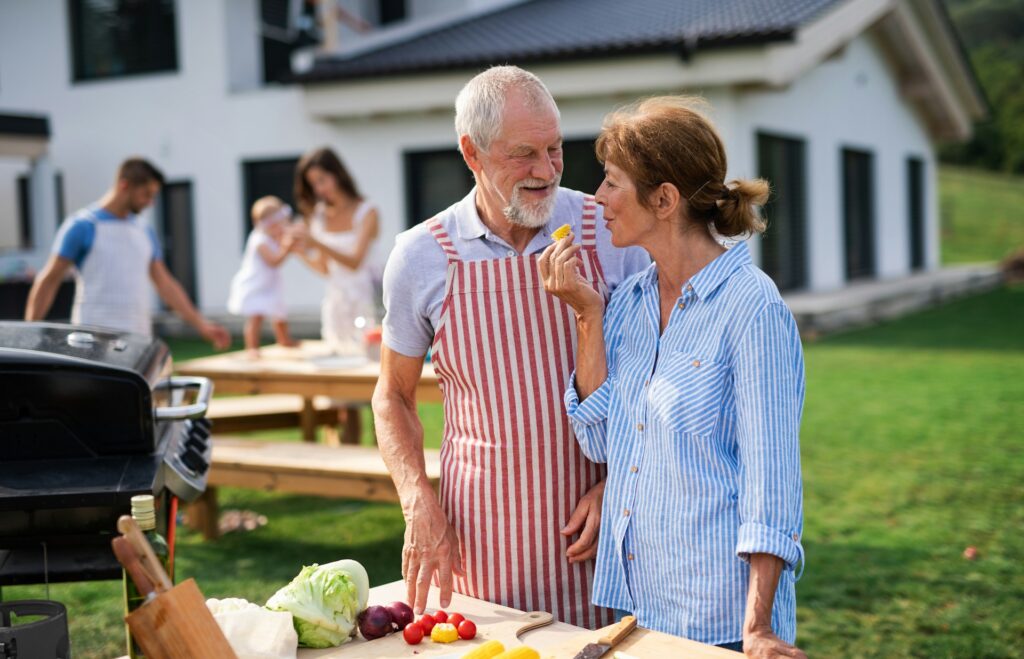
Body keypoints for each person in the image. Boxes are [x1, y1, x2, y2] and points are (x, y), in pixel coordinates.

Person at [372, 65, 648, 629]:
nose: (546, 171)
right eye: (524, 154)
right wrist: (417, 499)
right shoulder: (421, 256)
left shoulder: (611, 231)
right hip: (484, 544)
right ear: (471, 153)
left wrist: (619, 479)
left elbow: (662, 378)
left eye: (555, 149)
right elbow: (392, 396)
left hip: (611, 534)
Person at [539, 96, 806, 656]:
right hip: (640, 606)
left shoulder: (751, 307)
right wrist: (588, 317)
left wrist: (757, 627)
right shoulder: (629, 302)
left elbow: (772, 481)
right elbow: (599, 439)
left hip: (721, 618)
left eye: (612, 183)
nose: (598, 198)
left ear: (663, 199)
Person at [25, 157, 230, 349]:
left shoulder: (144, 230)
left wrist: (201, 325)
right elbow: (49, 280)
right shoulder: (82, 226)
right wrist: (29, 333)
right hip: (91, 340)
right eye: (146, 194)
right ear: (124, 185)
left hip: (137, 340)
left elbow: (166, 284)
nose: (150, 202)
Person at [292, 147, 379, 444]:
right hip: (336, 306)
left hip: (365, 305)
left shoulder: (367, 211)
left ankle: (380, 460)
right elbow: (326, 268)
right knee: (340, 394)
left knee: (371, 390)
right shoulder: (318, 215)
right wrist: (299, 251)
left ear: (337, 174)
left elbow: (354, 261)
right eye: (313, 183)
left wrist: (314, 240)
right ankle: (344, 453)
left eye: (322, 179)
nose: (319, 188)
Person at [227, 196, 301, 358]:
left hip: (271, 283)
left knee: (280, 311)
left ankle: (284, 339)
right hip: (257, 284)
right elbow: (273, 261)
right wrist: (287, 248)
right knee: (256, 315)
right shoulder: (259, 239)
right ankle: (252, 347)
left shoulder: (272, 238)